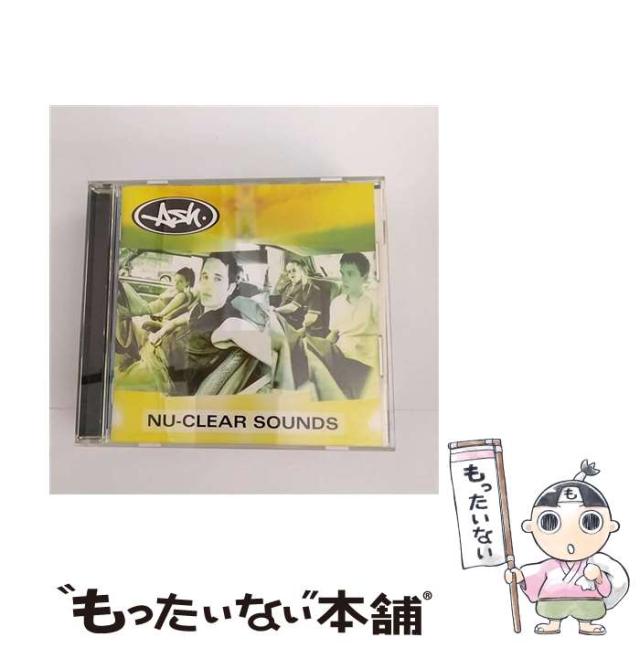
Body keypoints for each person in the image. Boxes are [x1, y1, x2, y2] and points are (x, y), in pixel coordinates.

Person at [117, 252, 271, 395]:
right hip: (154, 351)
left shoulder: (229, 323)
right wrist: (161, 332)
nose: (207, 285)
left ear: (230, 288)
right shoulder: (201, 308)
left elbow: (272, 352)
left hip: (162, 375)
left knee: (114, 388)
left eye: (217, 279)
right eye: (205, 277)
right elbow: (180, 320)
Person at [504, 460, 629, 636]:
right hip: (552, 602)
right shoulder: (549, 566)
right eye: (550, 522)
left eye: (590, 522)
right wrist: (519, 576)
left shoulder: (594, 563)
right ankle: (553, 622)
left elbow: (605, 589)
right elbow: (535, 575)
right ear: (531, 526)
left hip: (588, 602)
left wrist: (598, 577)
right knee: (550, 609)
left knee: (589, 609)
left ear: (610, 526)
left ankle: (586, 623)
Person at [305, 252, 378, 400]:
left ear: (364, 278)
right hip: (339, 355)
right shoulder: (337, 303)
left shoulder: (373, 302)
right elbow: (334, 334)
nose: (344, 279)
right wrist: (319, 347)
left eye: (350, 274)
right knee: (305, 350)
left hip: (363, 360)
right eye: (342, 273)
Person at [273, 259, 322, 332]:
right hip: (281, 320)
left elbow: (292, 307)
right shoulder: (289, 286)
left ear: (301, 271)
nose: (291, 274)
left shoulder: (308, 287)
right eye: (289, 272)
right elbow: (278, 297)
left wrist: (274, 310)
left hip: (293, 325)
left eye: (294, 270)